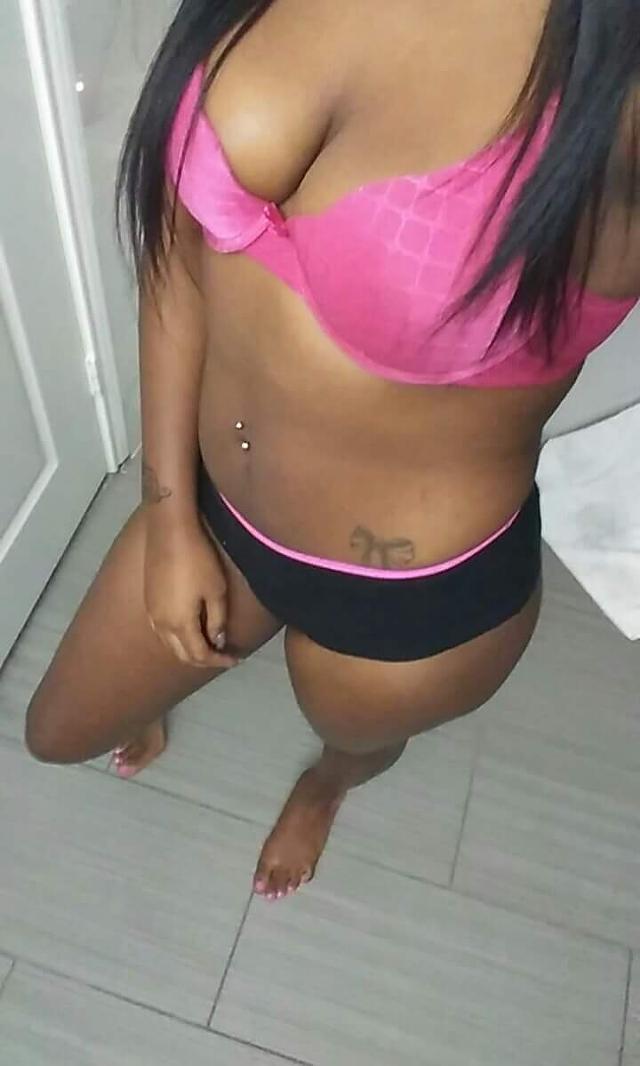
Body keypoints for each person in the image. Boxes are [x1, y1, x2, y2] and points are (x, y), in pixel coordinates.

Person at [25, 0, 639, 901]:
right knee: (57, 733)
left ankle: (329, 784)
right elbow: (179, 247)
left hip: (409, 598)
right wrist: (167, 515)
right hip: (216, 509)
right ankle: (170, 690)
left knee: (354, 738)